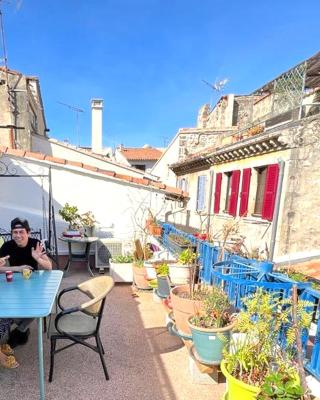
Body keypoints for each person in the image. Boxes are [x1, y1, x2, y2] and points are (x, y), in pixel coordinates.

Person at [0, 218, 52, 348]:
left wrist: (38, 258)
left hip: (34, 283)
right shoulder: (7, 246)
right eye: (15, 232)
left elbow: (49, 266)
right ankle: (20, 326)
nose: (18, 235)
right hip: (13, 283)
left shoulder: (36, 243)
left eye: (21, 232)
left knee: (38, 307)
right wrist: (17, 268)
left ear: (28, 233)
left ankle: (21, 329)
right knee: (6, 305)